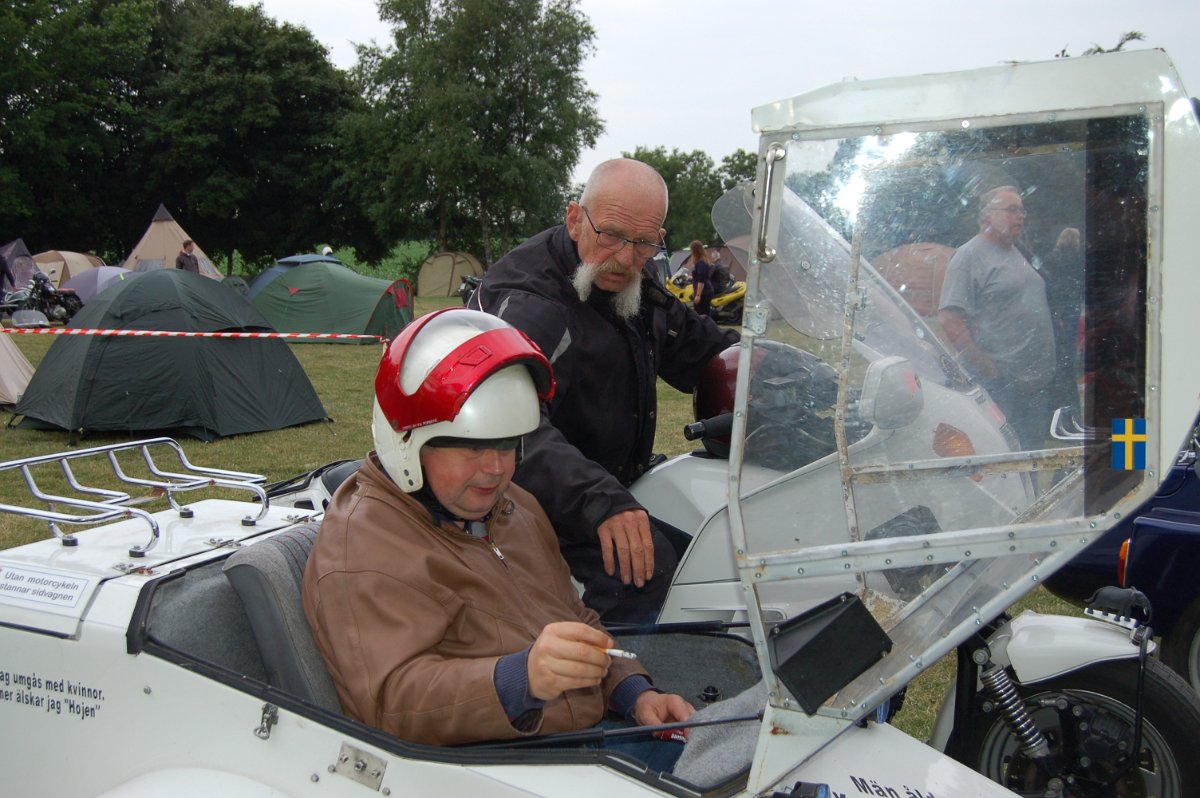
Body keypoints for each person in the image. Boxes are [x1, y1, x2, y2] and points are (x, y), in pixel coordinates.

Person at [302, 309, 694, 767]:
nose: (496, 468)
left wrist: (632, 690)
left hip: (581, 736)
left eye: (508, 445)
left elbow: (573, 615)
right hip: (491, 765)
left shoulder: (510, 506)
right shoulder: (365, 550)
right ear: (408, 442)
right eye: (472, 447)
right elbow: (391, 703)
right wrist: (519, 680)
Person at [471, 158, 739, 623]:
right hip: (516, 498)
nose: (623, 257)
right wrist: (602, 502)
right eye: (610, 235)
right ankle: (615, 688)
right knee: (642, 574)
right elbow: (509, 429)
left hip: (602, 481)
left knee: (707, 542)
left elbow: (700, 348)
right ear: (576, 219)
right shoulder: (533, 306)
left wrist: (775, 372)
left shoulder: (632, 278)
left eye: (643, 243)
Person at [938, 185, 1055, 449]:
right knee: (1006, 459)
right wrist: (986, 367)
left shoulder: (1018, 251)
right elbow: (949, 317)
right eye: (1012, 210)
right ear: (987, 216)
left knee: (1031, 457)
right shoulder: (968, 255)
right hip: (1002, 384)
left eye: (1022, 211)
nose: (1021, 217)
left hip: (1034, 382)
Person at [689, 240, 715, 316]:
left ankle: (705, 328)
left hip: (704, 292)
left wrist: (698, 295)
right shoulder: (701, 260)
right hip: (704, 291)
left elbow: (701, 280)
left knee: (701, 315)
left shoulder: (701, 262)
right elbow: (700, 276)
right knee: (702, 314)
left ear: (695, 250)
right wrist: (692, 277)